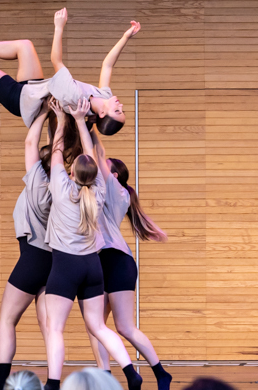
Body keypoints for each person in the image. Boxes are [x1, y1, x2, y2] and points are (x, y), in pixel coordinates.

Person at [43, 98, 142, 390]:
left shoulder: (61, 187)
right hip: (92, 266)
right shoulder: (98, 189)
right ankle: (131, 372)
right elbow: (89, 154)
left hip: (65, 265)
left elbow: (57, 152)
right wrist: (81, 122)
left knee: (55, 328)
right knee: (98, 326)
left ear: (71, 172)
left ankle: (51, 383)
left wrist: (62, 119)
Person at [0, 8, 139, 137]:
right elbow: (107, 65)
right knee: (25, 46)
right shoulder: (103, 95)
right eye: (122, 109)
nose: (120, 105)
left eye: (117, 110)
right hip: (34, 87)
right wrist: (125, 37)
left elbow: (56, 60)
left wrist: (59, 27)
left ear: (103, 112)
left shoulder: (75, 99)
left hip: (20, 99)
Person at [85, 128, 171, 390]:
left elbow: (98, 154)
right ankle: (104, 377)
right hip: (102, 260)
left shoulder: (115, 188)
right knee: (95, 325)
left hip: (116, 262)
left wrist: (91, 128)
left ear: (113, 175)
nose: (100, 169)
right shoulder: (108, 190)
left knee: (124, 327)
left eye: (105, 167)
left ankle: (160, 372)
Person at [0, 100, 53, 390]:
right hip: (52, 260)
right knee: (49, 327)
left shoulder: (37, 185)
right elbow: (50, 149)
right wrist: (56, 120)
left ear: (40, 165)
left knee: (7, 319)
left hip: (34, 256)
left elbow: (31, 143)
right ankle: (52, 382)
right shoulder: (58, 185)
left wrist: (45, 112)